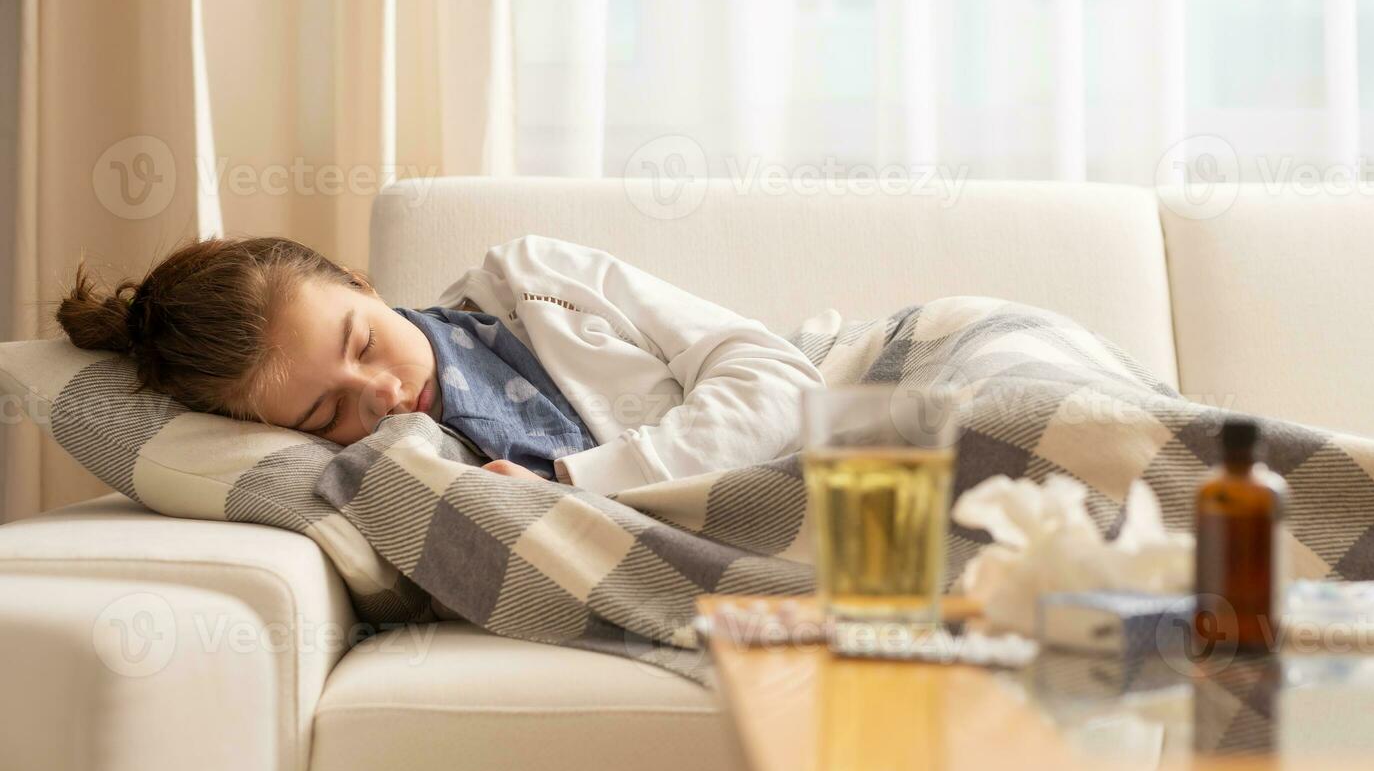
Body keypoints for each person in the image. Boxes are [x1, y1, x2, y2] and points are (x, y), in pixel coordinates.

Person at [53, 233, 826, 495]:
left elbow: (777, 376)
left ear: (361, 284)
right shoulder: (403, 470)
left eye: (363, 343)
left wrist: (582, 484)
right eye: (326, 414)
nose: (385, 395)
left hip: (842, 374)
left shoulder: (535, 281)